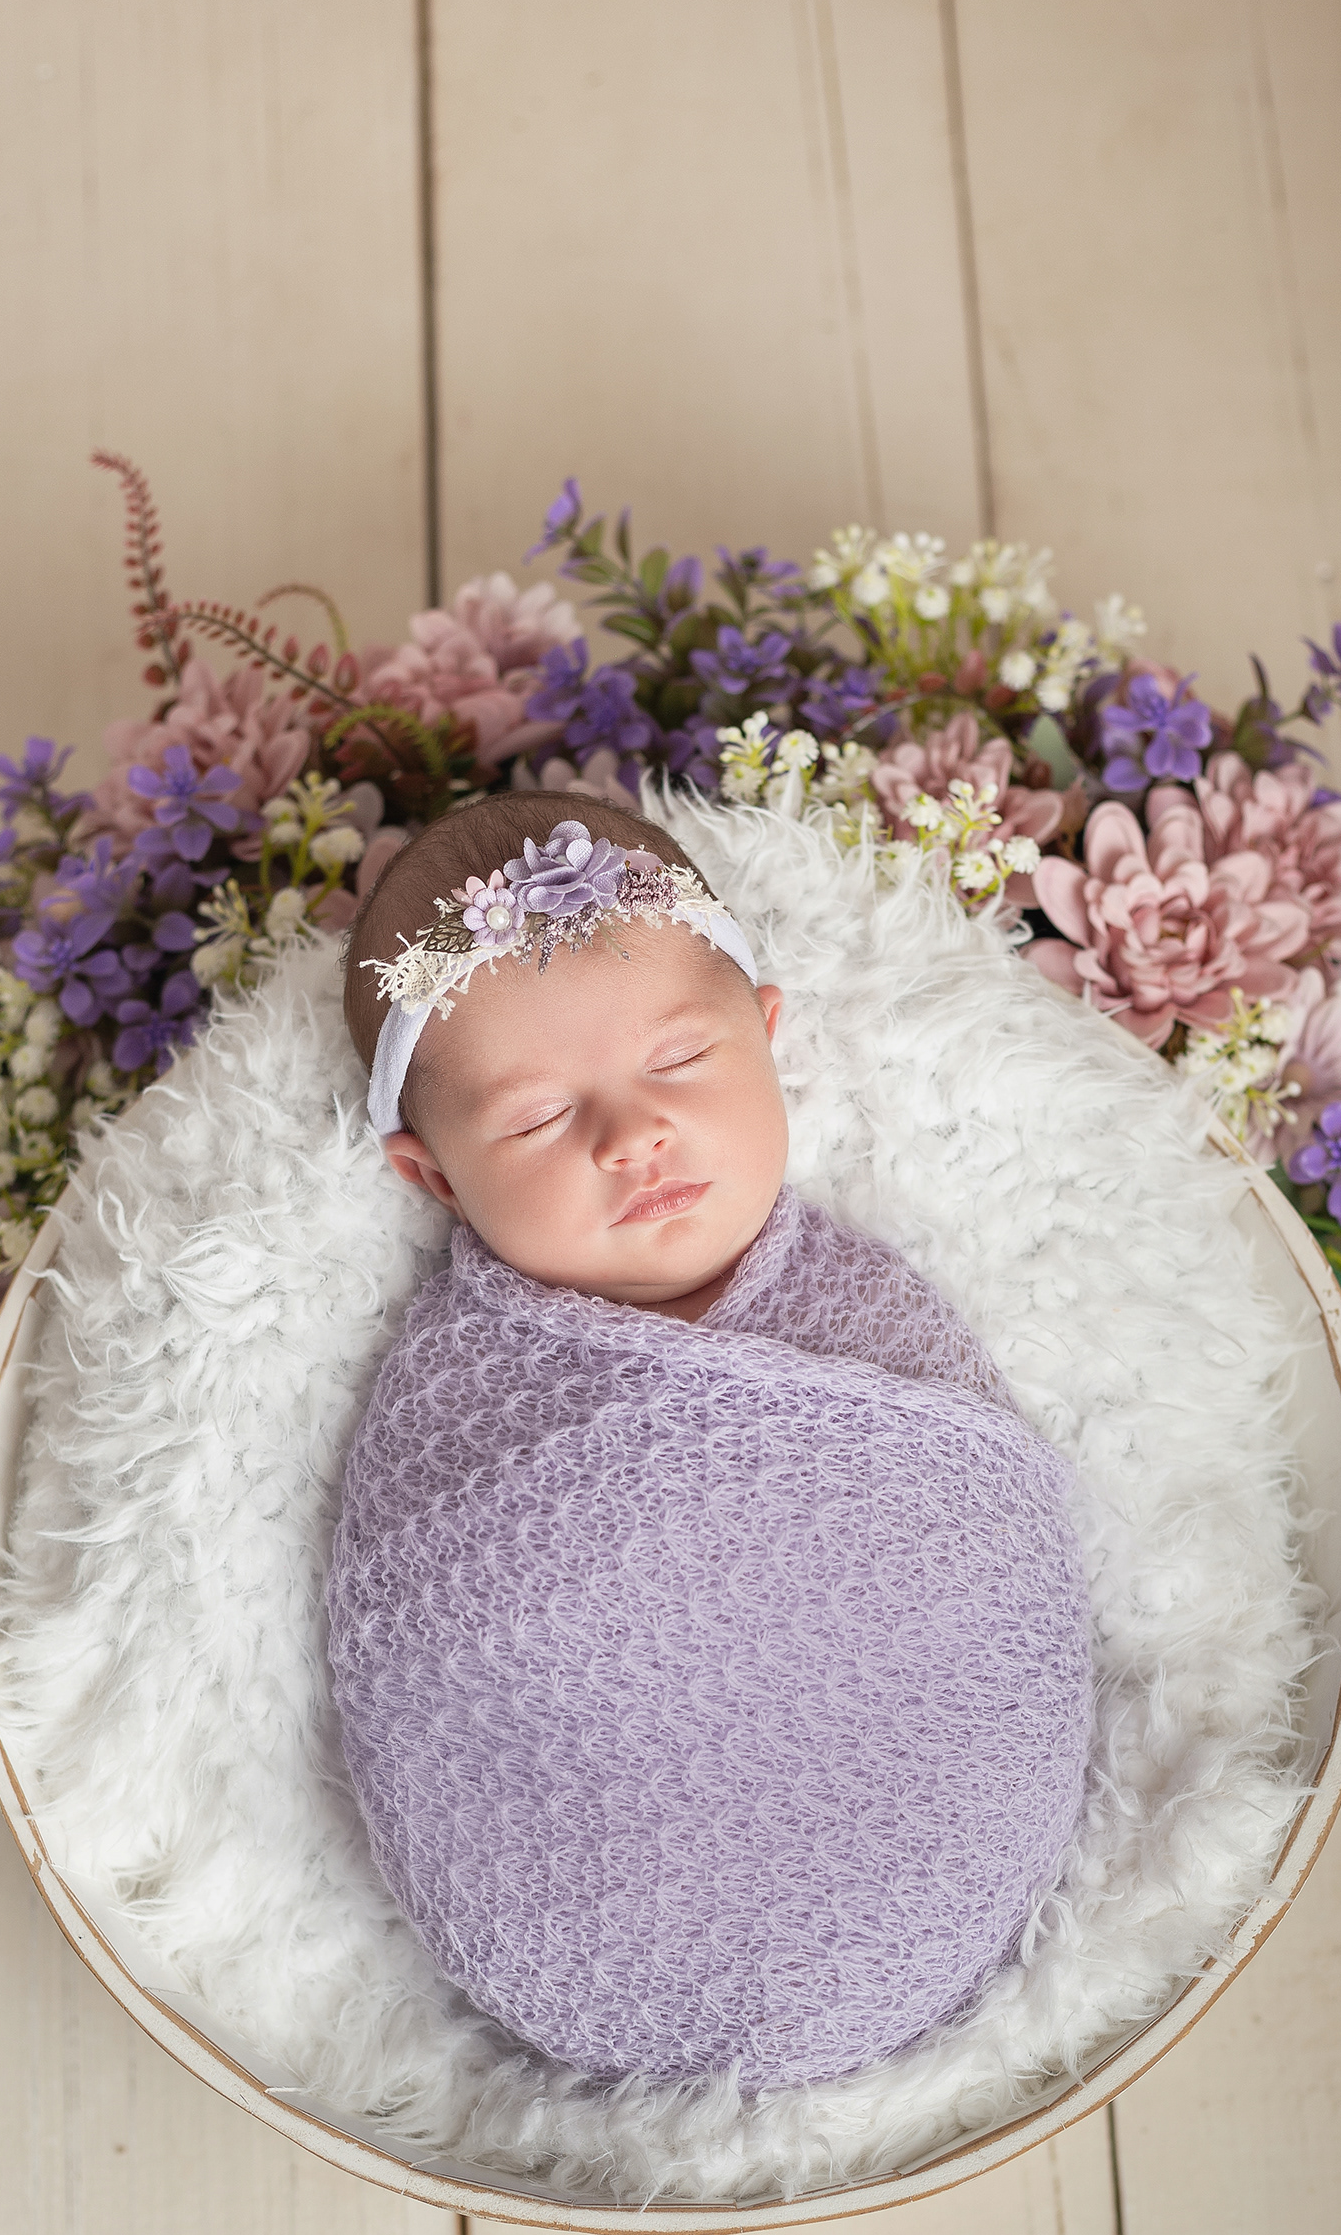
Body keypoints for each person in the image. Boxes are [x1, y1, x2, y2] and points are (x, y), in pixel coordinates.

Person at [328, 794, 1092, 2087]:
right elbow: (441, 1627)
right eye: (536, 1120)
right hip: (594, 1888)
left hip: (909, 1807)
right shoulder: (460, 1402)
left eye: (681, 1059)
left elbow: (972, 1551)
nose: (634, 1135)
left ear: (768, 1033)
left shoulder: (867, 1309)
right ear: (435, 1177)